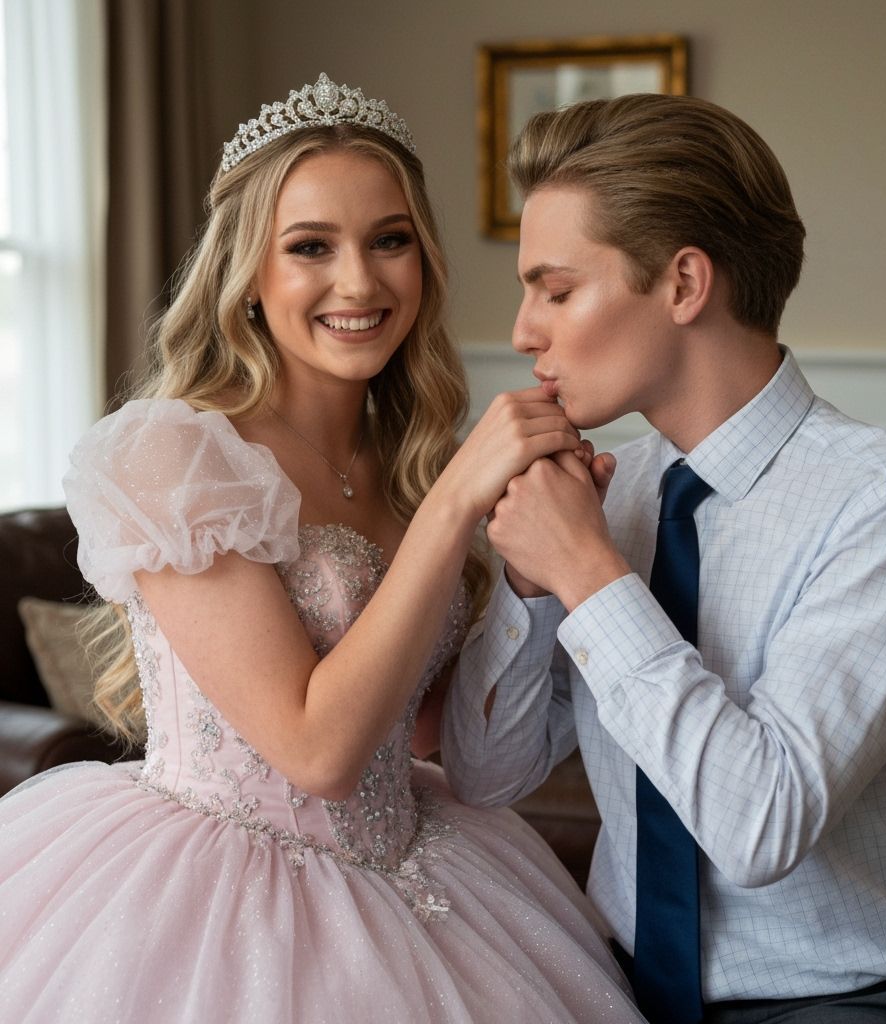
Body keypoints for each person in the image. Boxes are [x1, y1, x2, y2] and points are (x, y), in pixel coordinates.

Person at [0, 74, 646, 1024]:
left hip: (423, 874)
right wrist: (462, 498)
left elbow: (425, 736)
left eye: (390, 241)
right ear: (248, 274)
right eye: (310, 247)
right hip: (207, 909)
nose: (360, 282)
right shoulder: (174, 454)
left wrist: (522, 578)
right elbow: (317, 752)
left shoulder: (412, 459)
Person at [441, 93, 886, 1024]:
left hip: (838, 1005)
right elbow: (487, 776)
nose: (524, 330)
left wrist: (589, 576)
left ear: (686, 284)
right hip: (612, 987)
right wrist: (533, 593)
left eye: (557, 288)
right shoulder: (605, 494)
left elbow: (761, 823)